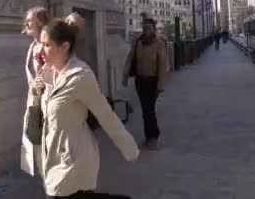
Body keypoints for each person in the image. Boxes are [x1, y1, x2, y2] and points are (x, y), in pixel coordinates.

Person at [33, 20, 139, 198]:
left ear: (64, 46)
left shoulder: (81, 76)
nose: (41, 49)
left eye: (46, 44)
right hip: (52, 156)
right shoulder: (48, 72)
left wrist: (130, 149)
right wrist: (38, 91)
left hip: (74, 160)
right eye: (40, 44)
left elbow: (106, 115)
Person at [122, 18, 167, 150]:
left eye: (149, 28)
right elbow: (130, 58)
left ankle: (153, 137)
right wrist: (125, 76)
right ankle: (149, 136)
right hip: (140, 81)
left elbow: (163, 65)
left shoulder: (159, 43)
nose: (146, 30)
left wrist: (160, 85)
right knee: (145, 109)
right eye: (144, 28)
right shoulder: (138, 42)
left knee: (149, 109)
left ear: (154, 29)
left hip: (153, 81)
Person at [21, 6, 50, 186]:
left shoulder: (49, 46)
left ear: (40, 21)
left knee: (50, 149)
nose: (26, 23)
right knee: (36, 144)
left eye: (30, 20)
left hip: (48, 102)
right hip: (35, 103)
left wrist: (45, 86)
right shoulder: (33, 46)